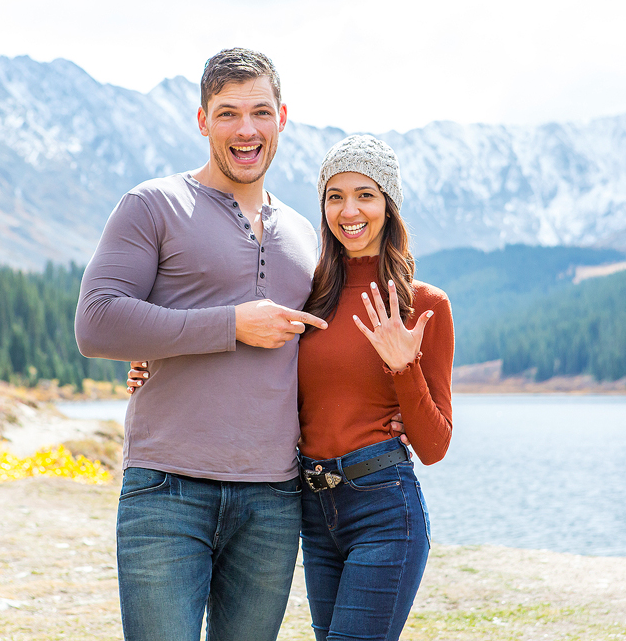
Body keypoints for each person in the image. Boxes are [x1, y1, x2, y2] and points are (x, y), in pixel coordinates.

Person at [130, 134, 454, 640]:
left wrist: (403, 368)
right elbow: (253, 354)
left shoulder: (424, 305)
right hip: (313, 509)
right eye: (335, 196)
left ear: (389, 205)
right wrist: (157, 361)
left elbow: (434, 446)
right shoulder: (309, 290)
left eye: (365, 195)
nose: (349, 211)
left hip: (384, 507)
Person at [75, 48, 329, 641]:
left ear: (282, 117)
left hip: (273, 497)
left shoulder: (304, 234)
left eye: (260, 112)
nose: (246, 130)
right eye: (228, 113)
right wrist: (228, 325)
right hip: (168, 488)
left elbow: (320, 350)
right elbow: (97, 321)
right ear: (202, 120)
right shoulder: (153, 205)